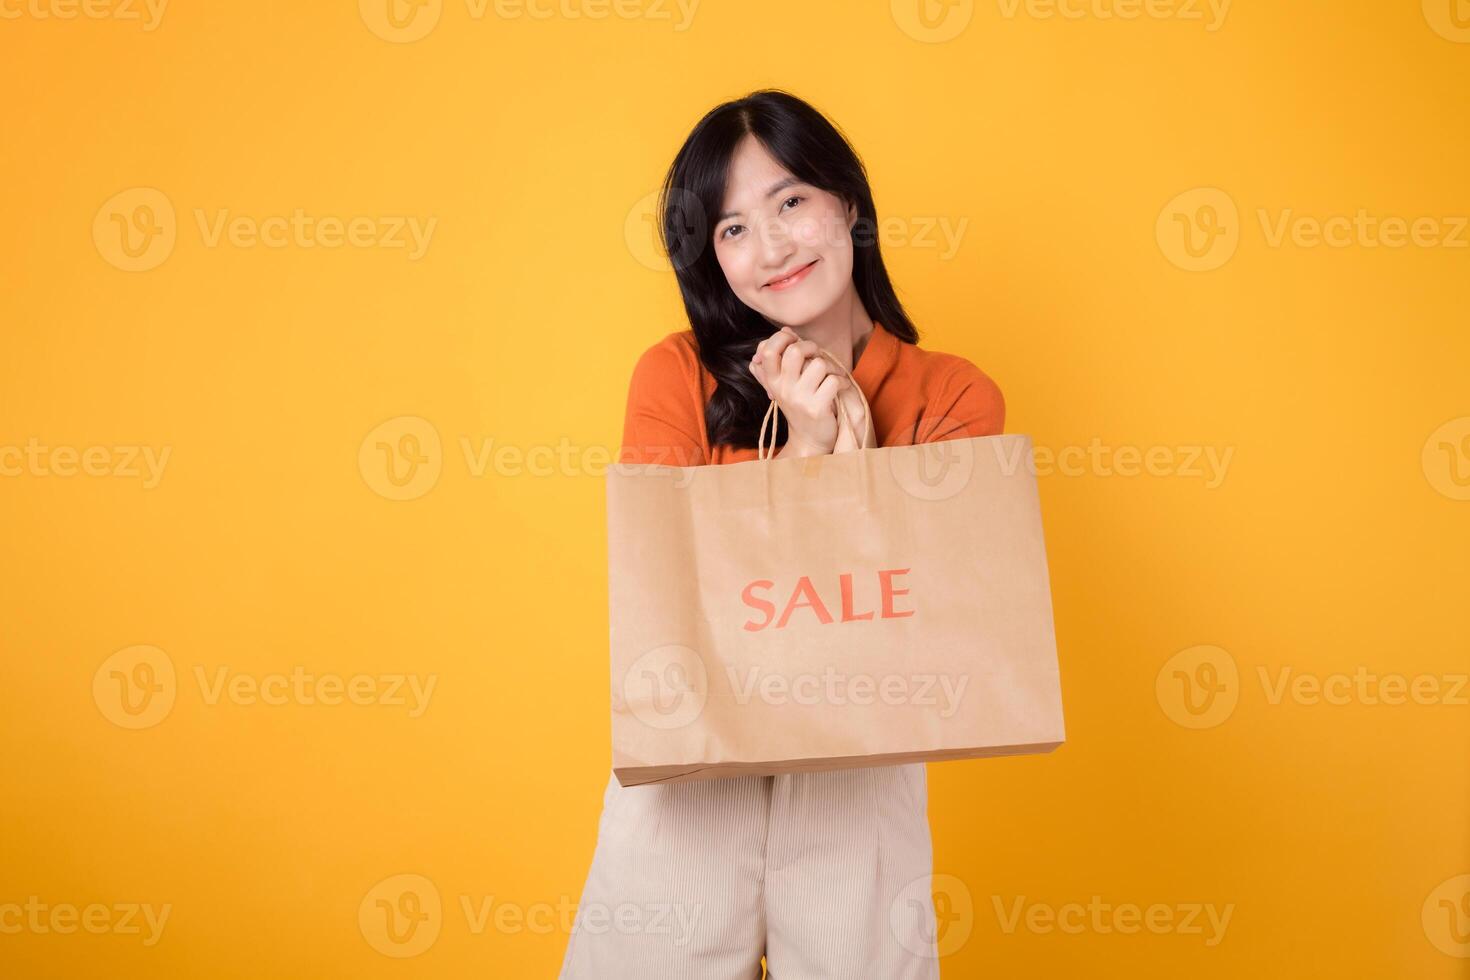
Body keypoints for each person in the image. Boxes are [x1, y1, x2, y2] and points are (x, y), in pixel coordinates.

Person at [560, 89, 1005, 979]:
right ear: (710, 256)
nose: (769, 249)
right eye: (730, 229)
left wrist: (841, 441)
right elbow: (667, 591)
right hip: (690, 763)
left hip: (858, 772)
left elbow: (925, 622)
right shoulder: (674, 375)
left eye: (790, 202)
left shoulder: (953, 396)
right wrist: (802, 445)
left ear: (847, 202)